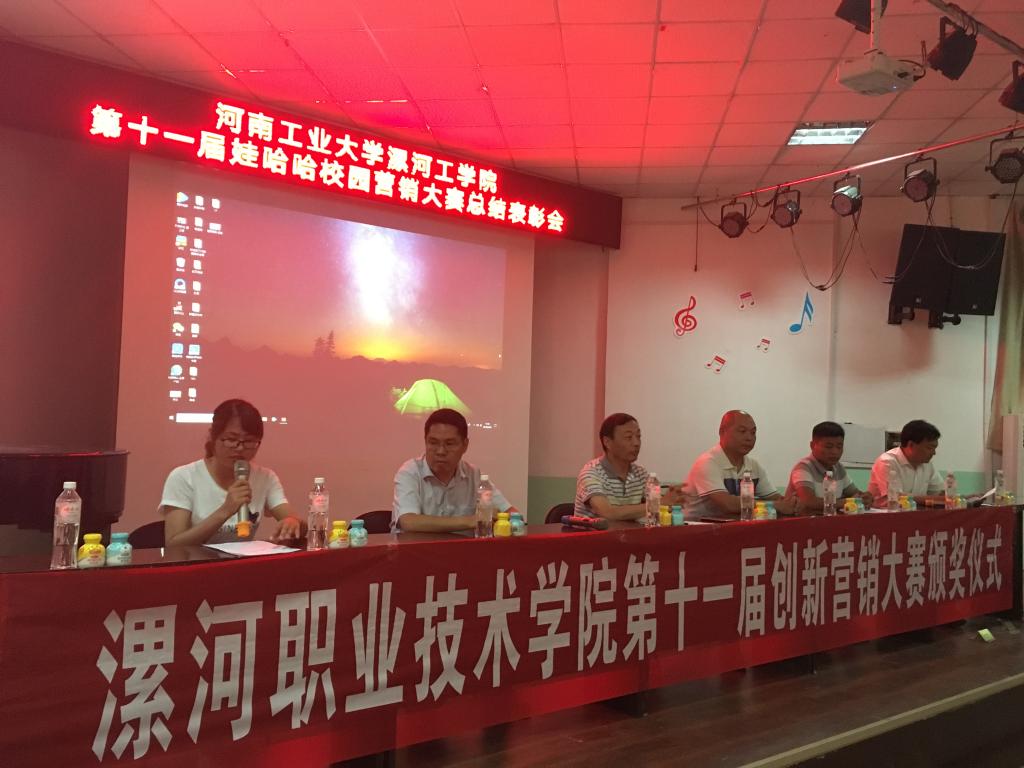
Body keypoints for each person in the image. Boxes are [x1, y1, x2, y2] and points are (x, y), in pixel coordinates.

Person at [160, 398, 302, 546]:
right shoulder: (183, 477)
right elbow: (173, 544)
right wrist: (226, 510)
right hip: (195, 560)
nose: (240, 448)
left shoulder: (265, 477)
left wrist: (292, 522)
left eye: (249, 441)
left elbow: (293, 520)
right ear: (213, 436)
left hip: (243, 559)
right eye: (231, 439)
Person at [393, 408, 517, 532]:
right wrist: (471, 521)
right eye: (433, 443)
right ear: (425, 441)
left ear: (465, 445)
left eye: (449, 444)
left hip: (461, 545)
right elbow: (408, 521)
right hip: (416, 545)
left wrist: (508, 520)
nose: (440, 451)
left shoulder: (473, 475)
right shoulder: (410, 472)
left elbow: (511, 513)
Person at [682, 410, 796, 519]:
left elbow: (777, 500)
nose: (749, 438)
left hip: (731, 527)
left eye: (753, 433)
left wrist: (793, 503)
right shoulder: (707, 463)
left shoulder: (754, 466)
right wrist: (775, 505)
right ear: (722, 432)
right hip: (695, 527)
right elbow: (728, 504)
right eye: (742, 431)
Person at [574, 412, 683, 520]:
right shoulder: (591, 473)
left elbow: (655, 510)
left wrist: (673, 501)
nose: (636, 443)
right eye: (628, 437)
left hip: (629, 531)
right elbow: (607, 513)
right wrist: (660, 503)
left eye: (638, 436)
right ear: (607, 442)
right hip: (596, 532)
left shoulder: (640, 473)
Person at [786, 421, 873, 513]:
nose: (835, 452)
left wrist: (864, 498)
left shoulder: (839, 468)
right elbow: (809, 501)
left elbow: (855, 494)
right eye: (828, 447)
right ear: (812, 446)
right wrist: (845, 502)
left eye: (839, 447)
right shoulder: (803, 468)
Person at [868, 419, 945, 505]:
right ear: (911, 445)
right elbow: (896, 498)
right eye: (929, 448)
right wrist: (933, 499)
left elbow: (940, 493)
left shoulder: (927, 465)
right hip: (885, 512)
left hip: (916, 512)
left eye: (935, 448)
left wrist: (949, 496)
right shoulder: (887, 462)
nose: (934, 453)